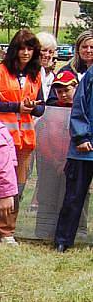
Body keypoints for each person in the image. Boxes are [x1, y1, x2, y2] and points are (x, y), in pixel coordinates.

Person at [0, 29, 44, 245]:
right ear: (14, 50)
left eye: (30, 48)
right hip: (0, 138)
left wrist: (33, 107)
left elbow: (41, 108)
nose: (25, 53)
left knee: (17, 186)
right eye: (22, 48)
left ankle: (7, 231)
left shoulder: (36, 74)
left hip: (25, 140)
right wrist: (16, 106)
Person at [34, 70, 82, 241]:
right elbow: (43, 137)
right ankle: (43, 231)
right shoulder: (51, 111)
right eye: (59, 91)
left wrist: (67, 160)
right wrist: (54, 160)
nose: (63, 94)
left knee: (75, 196)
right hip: (50, 162)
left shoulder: (82, 109)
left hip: (75, 161)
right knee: (47, 195)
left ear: (76, 87)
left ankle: (78, 231)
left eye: (66, 90)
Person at [54, 58, 93, 252]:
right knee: (73, 197)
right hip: (84, 151)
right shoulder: (90, 75)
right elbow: (79, 106)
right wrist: (80, 136)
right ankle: (63, 240)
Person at [36, 31, 58, 100]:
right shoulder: (28, 73)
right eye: (44, 50)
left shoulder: (53, 77)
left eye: (51, 52)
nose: (47, 55)